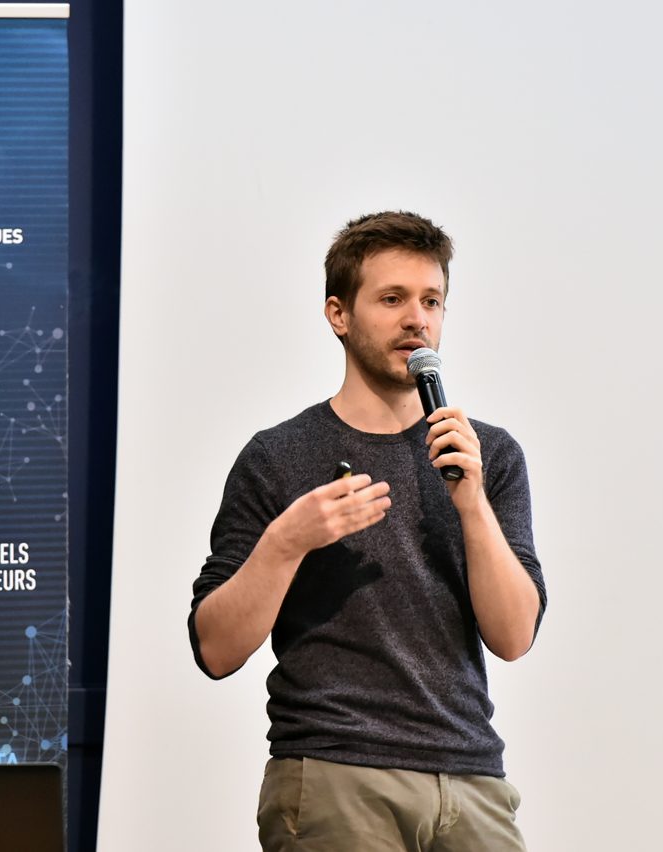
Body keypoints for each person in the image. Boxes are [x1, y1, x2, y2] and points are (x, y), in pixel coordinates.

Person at [188, 211, 546, 852]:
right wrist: (287, 541)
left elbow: (515, 636)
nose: (417, 320)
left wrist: (471, 503)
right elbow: (215, 649)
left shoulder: (485, 455)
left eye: (431, 301)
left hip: (471, 781)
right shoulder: (278, 457)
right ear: (339, 314)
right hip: (336, 773)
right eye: (392, 299)